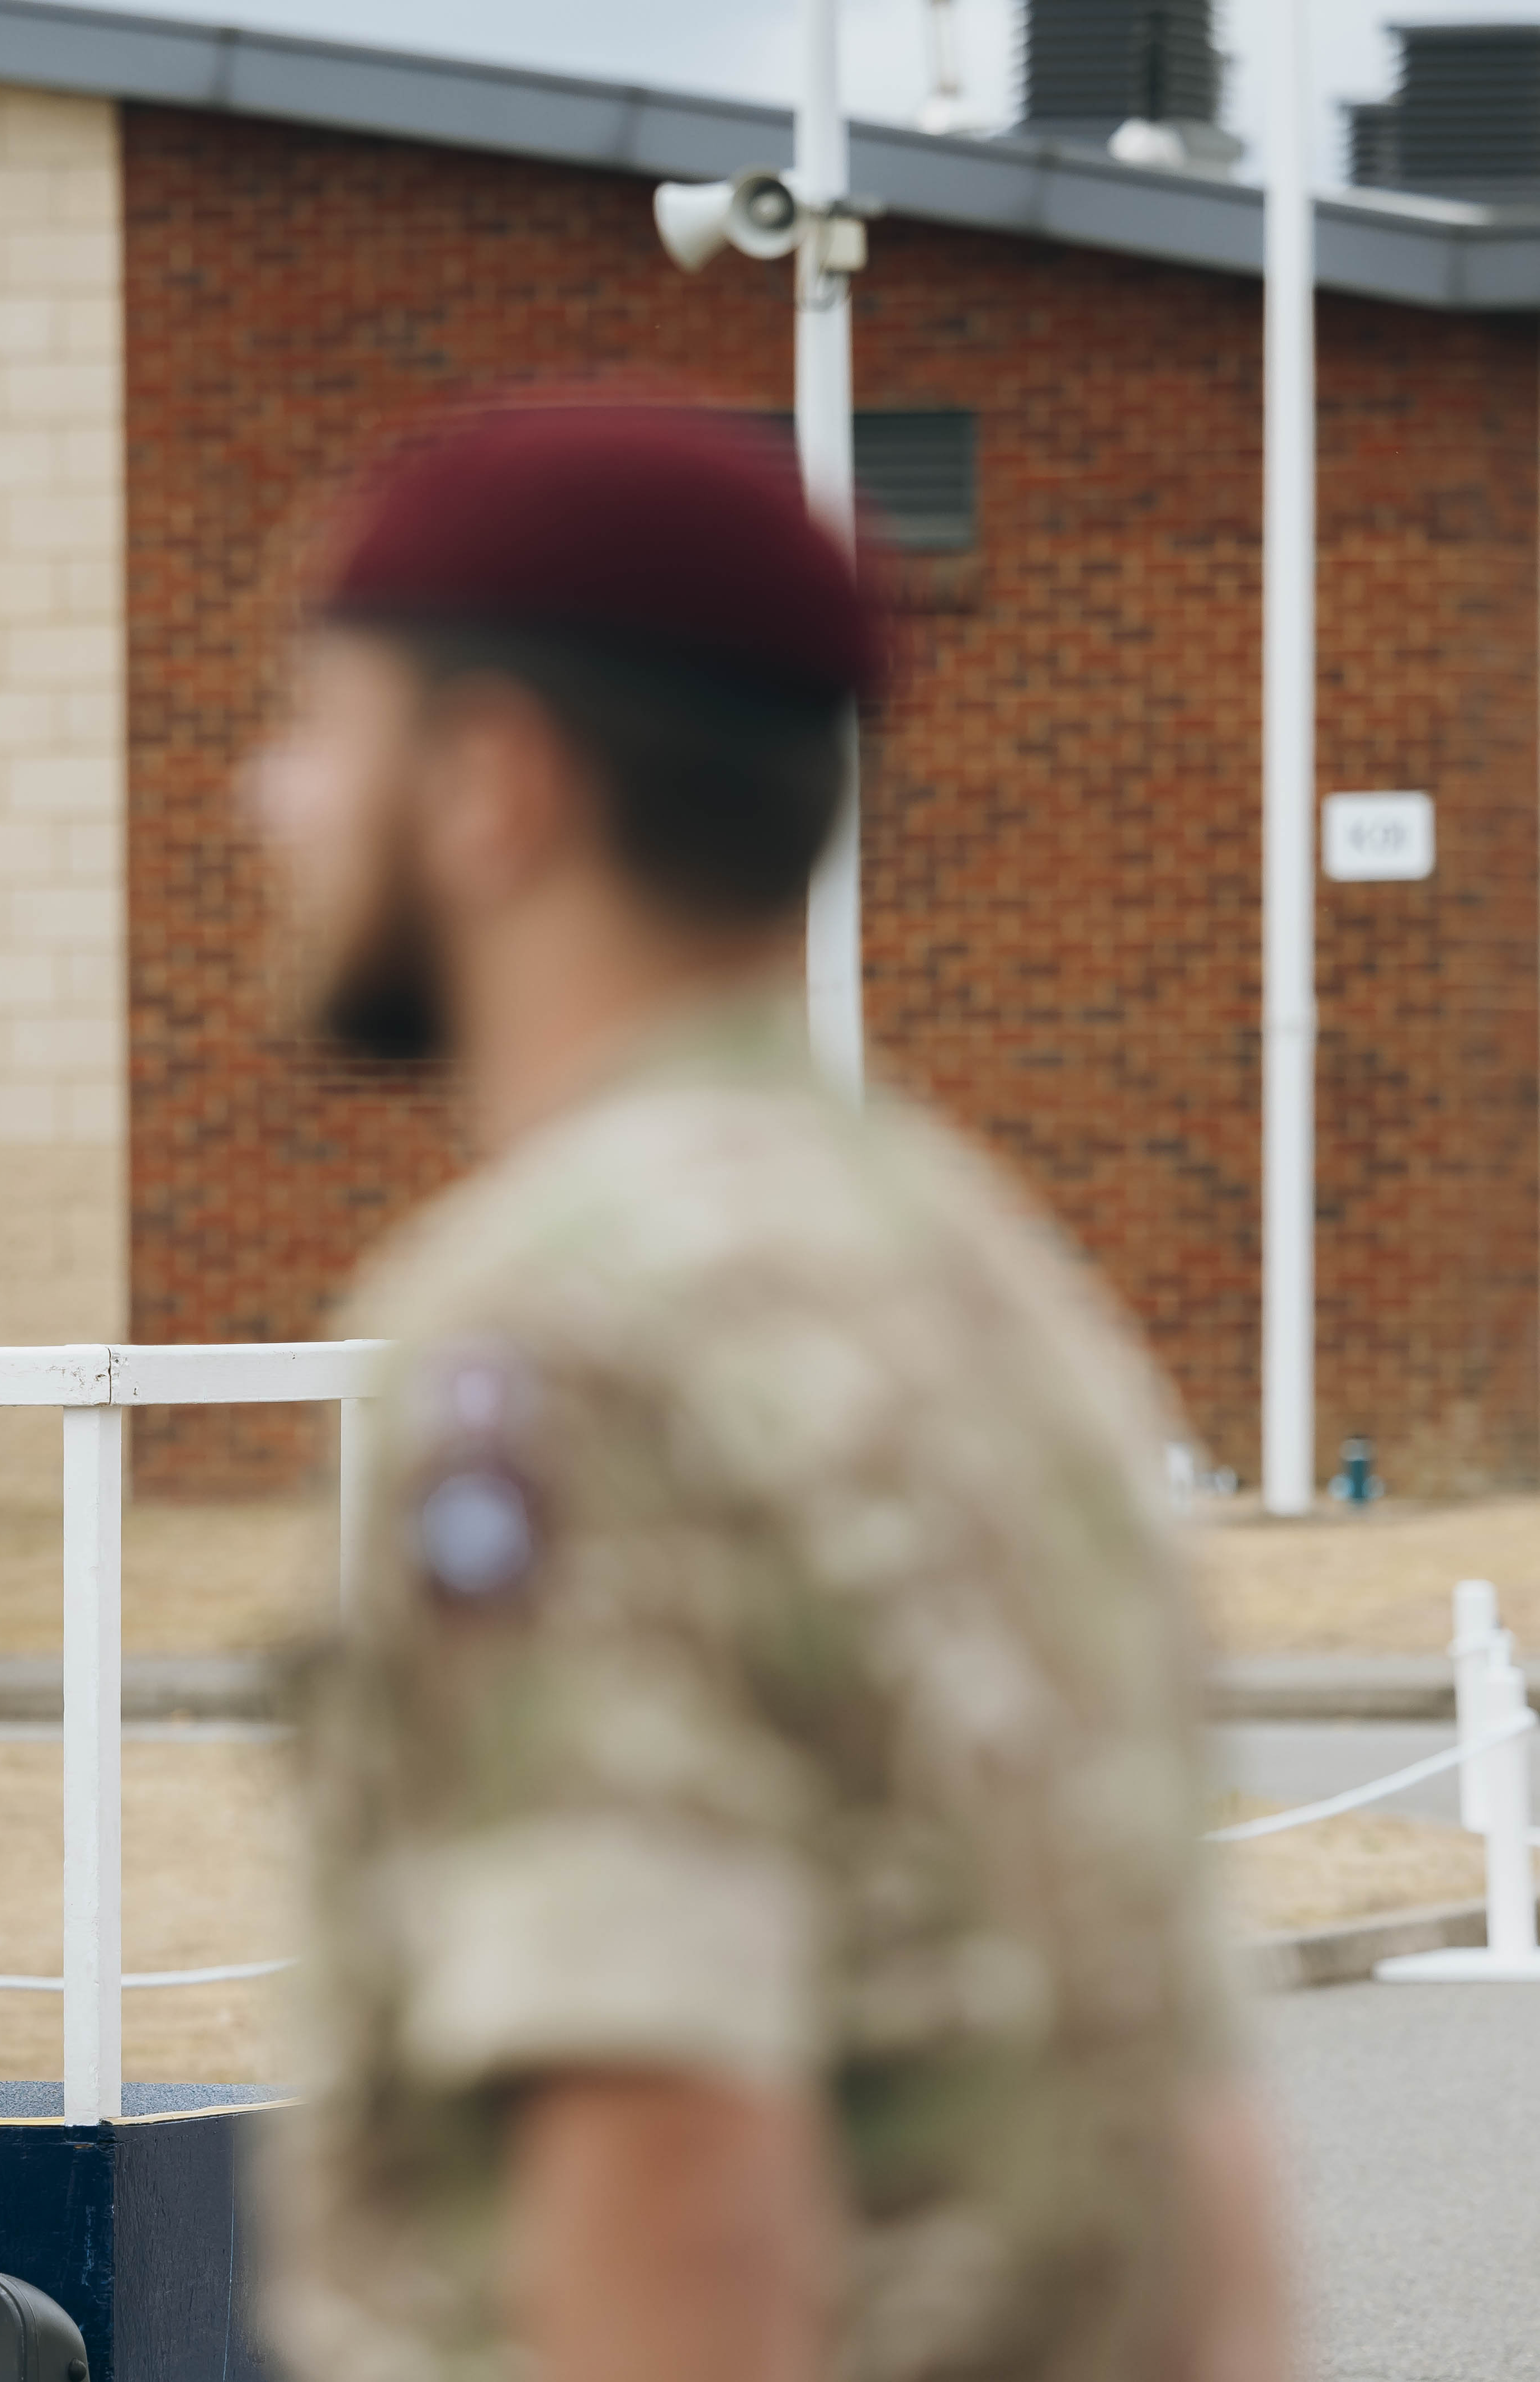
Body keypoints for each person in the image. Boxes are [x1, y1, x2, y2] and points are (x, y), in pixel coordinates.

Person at [244, 405, 1287, 2382]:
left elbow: (663, 2149)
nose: (261, 798)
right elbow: (1191, 2135)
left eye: (316, 728)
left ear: (491, 784)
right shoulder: (988, 1275)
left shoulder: (553, 1326)